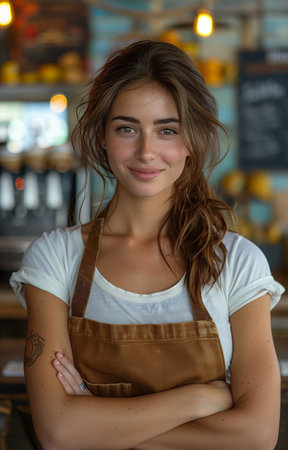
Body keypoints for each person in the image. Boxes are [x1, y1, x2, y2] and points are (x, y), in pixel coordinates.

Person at [10, 40, 284, 450]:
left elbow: (258, 435)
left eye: (167, 130)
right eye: (126, 128)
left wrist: (99, 424)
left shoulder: (237, 262)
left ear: (190, 141)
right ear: (102, 136)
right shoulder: (55, 258)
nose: (146, 151)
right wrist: (199, 398)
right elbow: (58, 431)